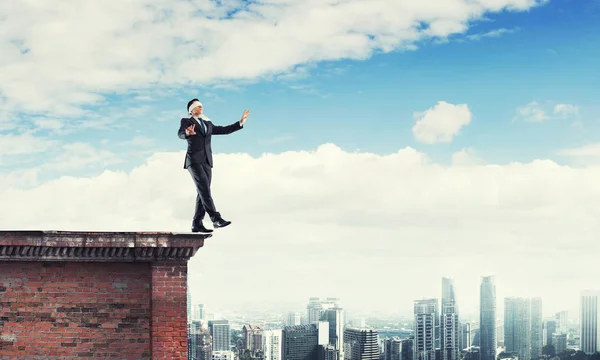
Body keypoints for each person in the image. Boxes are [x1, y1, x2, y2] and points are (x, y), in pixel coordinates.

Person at [178, 98, 250, 233]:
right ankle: (215, 219)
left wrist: (240, 123)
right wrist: (187, 133)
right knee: (204, 189)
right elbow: (180, 134)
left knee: (203, 192)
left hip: (207, 161)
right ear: (191, 110)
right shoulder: (187, 121)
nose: (201, 107)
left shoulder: (208, 123)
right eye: (198, 106)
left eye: (201, 106)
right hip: (193, 160)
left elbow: (223, 130)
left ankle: (197, 224)